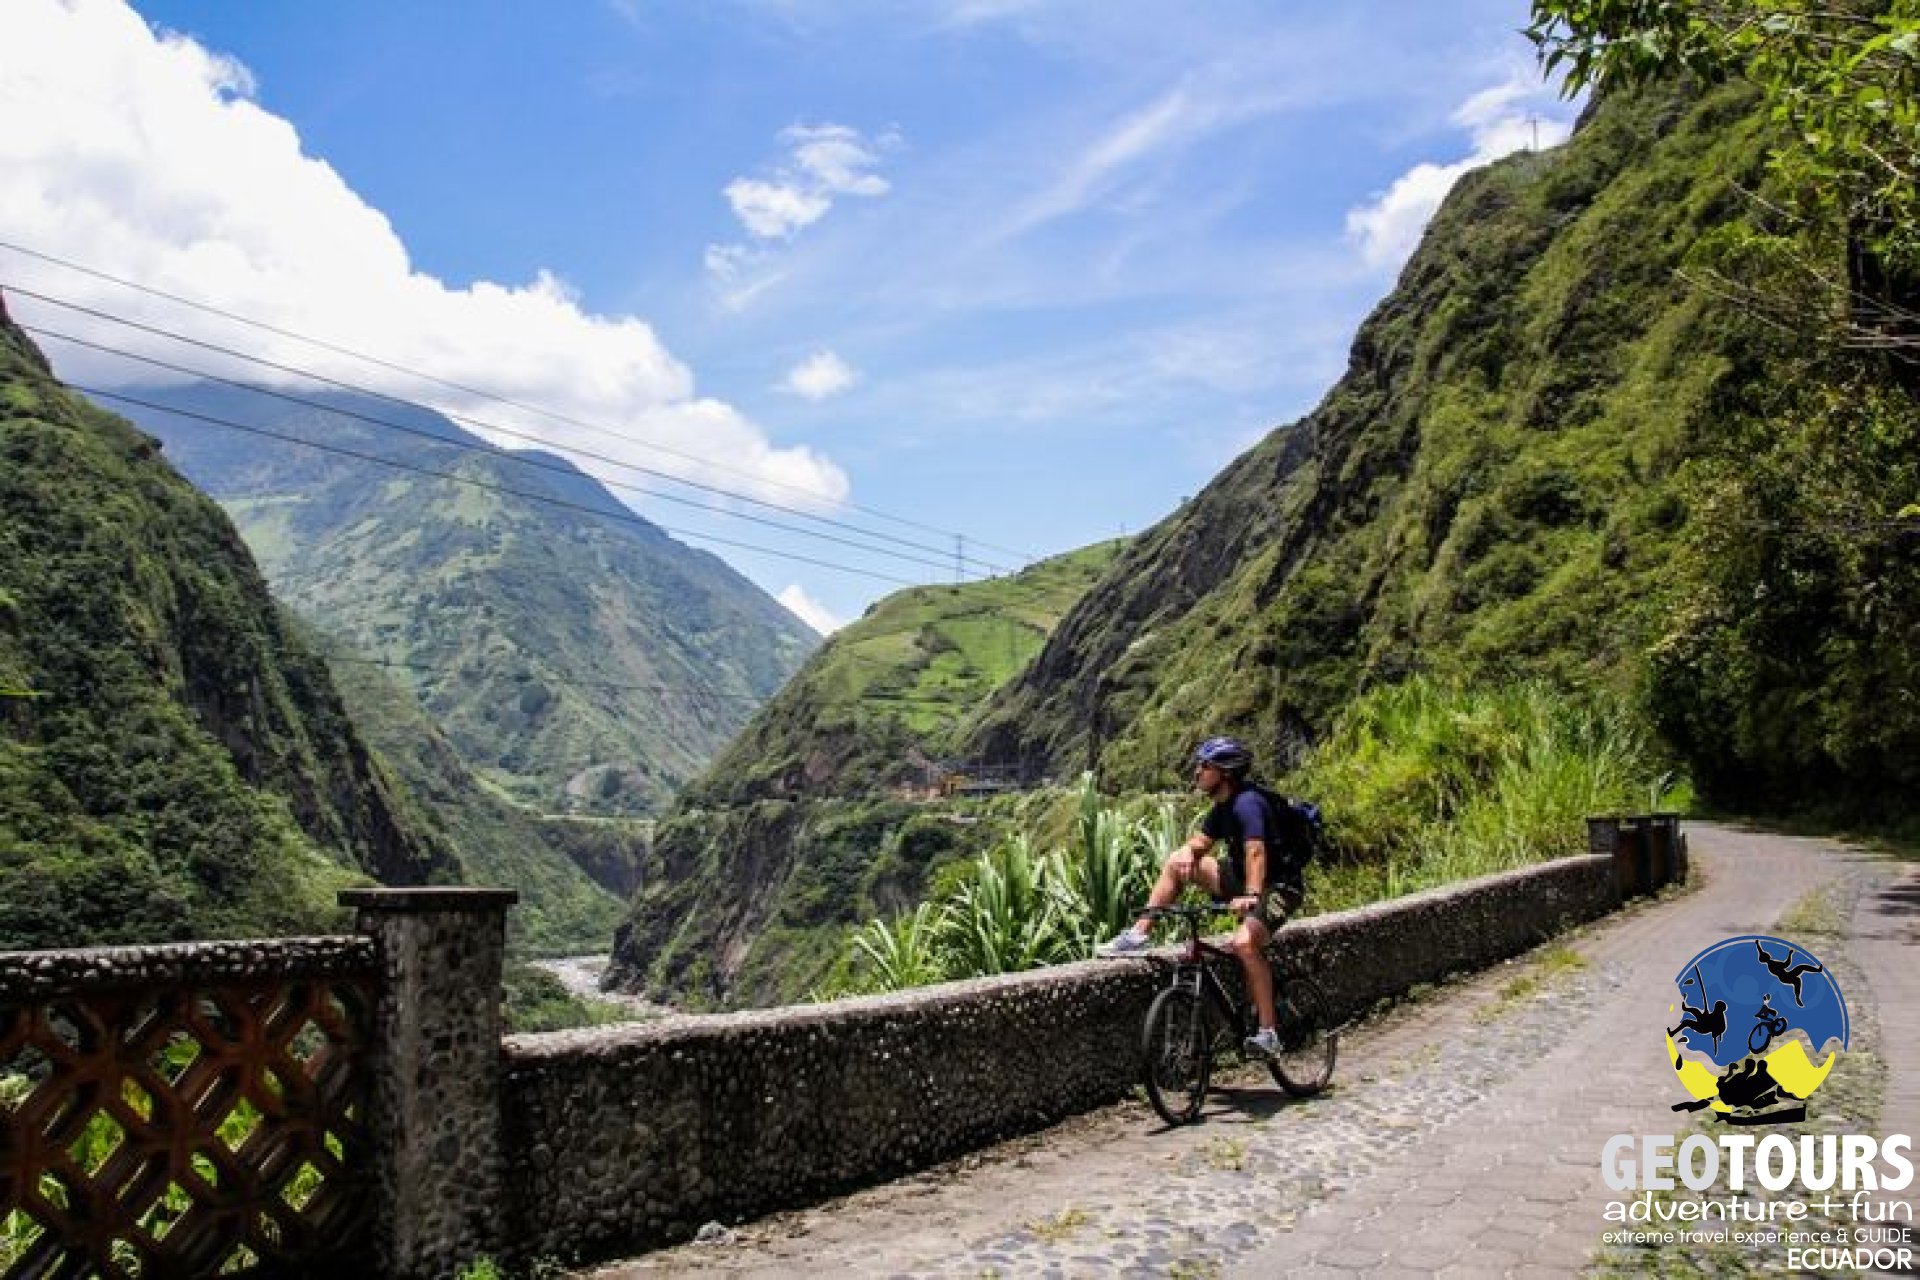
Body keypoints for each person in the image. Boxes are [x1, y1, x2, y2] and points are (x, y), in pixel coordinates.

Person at [1098, 736, 1306, 1058]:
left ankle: (1269, 1033)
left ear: (1224, 772)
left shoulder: (1247, 803)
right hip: (1243, 879)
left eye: (1204, 766)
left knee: (1244, 944)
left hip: (1278, 886)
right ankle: (1139, 934)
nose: (1197, 772)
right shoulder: (1222, 807)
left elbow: (1255, 852)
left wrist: (1251, 896)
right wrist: (1187, 853)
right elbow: (1200, 842)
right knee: (1175, 864)